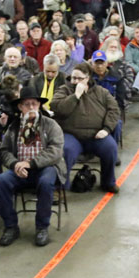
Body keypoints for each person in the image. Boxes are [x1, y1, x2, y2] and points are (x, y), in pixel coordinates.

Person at [0, 85, 65, 247]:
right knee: (1, 181)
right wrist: (15, 164)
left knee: (46, 182)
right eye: (27, 104)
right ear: (20, 107)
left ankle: (42, 227)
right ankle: (11, 226)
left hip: (46, 168)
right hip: (20, 170)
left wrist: (30, 163)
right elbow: (4, 151)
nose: (31, 107)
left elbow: (55, 152)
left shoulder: (50, 125)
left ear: (39, 105)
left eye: (34, 103)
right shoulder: (14, 126)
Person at [53, 65, 121, 195]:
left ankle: (108, 182)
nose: (75, 81)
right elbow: (59, 109)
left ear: (87, 78)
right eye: (73, 78)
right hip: (71, 135)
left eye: (79, 78)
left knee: (110, 148)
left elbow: (114, 110)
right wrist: (76, 95)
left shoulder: (101, 92)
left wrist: (106, 129)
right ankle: (61, 186)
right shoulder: (64, 90)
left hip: (96, 135)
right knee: (65, 150)